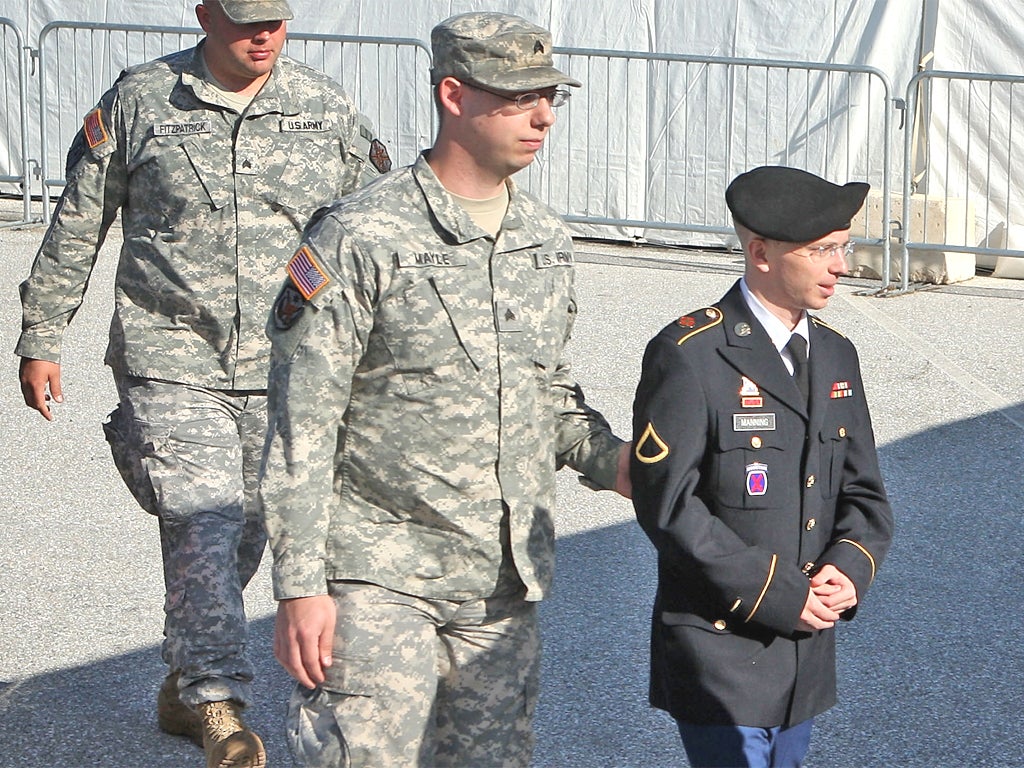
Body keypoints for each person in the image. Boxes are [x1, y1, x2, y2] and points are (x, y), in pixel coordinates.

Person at [15, 1, 389, 765]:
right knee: (201, 517)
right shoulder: (141, 99)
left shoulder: (324, 105)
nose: (263, 36)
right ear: (204, 15)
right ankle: (218, 703)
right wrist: (42, 333)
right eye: (246, 19)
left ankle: (185, 676)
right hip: (171, 352)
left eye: (276, 22)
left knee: (249, 522)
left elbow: (374, 226)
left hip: (289, 361)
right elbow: (79, 223)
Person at [259, 11, 630, 767]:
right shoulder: (361, 234)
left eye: (551, 97)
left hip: (501, 583)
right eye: (518, 96)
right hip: (379, 573)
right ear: (454, 95)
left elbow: (546, 395)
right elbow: (303, 420)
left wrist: (624, 465)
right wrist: (299, 584)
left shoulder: (543, 239)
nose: (542, 115)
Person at [630, 165, 895, 767]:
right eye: (823, 249)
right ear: (760, 253)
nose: (841, 266)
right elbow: (668, 505)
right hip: (722, 647)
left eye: (843, 247)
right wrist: (776, 590)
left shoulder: (834, 353)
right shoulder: (691, 354)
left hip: (803, 651)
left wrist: (850, 568)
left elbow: (864, 490)